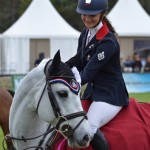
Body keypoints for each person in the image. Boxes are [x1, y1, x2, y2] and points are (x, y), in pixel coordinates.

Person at [65, 0, 129, 149]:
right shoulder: (85, 34)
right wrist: (57, 68)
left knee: (89, 127)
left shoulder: (108, 41)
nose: (87, 19)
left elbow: (88, 73)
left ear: (102, 14)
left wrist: (68, 81)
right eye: (84, 14)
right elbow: (79, 60)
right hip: (92, 93)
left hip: (110, 95)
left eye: (92, 15)